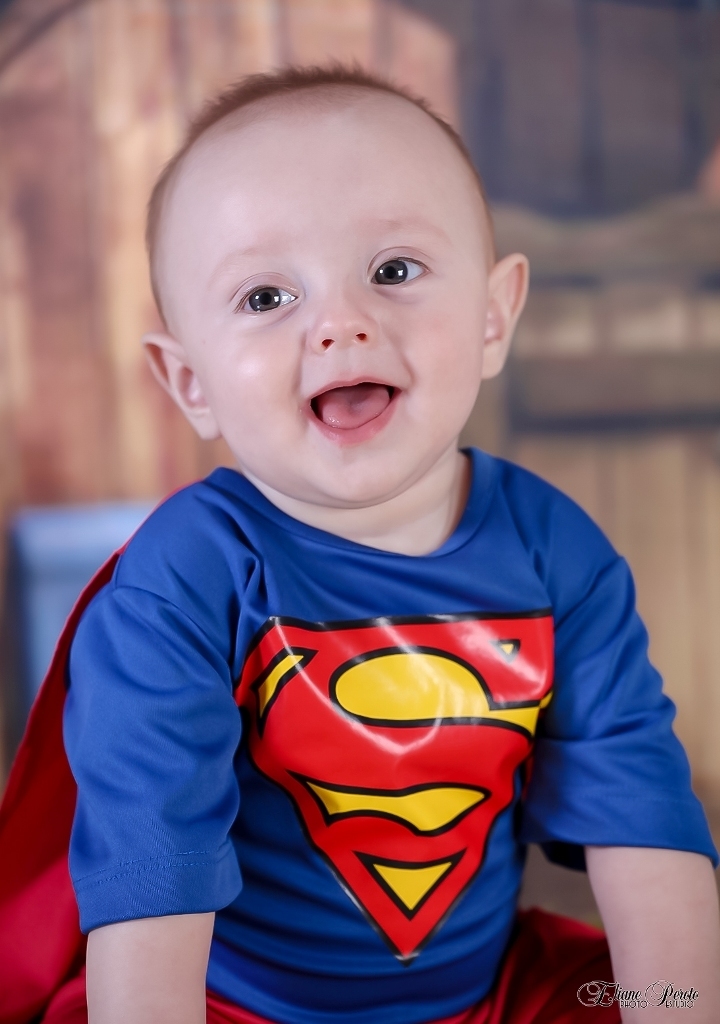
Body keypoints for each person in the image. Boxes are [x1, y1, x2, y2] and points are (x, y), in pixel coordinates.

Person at [1, 65, 718, 1024]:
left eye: (393, 271)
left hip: (489, 995)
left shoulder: (556, 553)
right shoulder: (185, 580)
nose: (341, 325)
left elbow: (643, 825)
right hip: (232, 1003)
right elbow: (150, 863)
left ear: (494, 316)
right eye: (267, 296)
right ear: (191, 384)